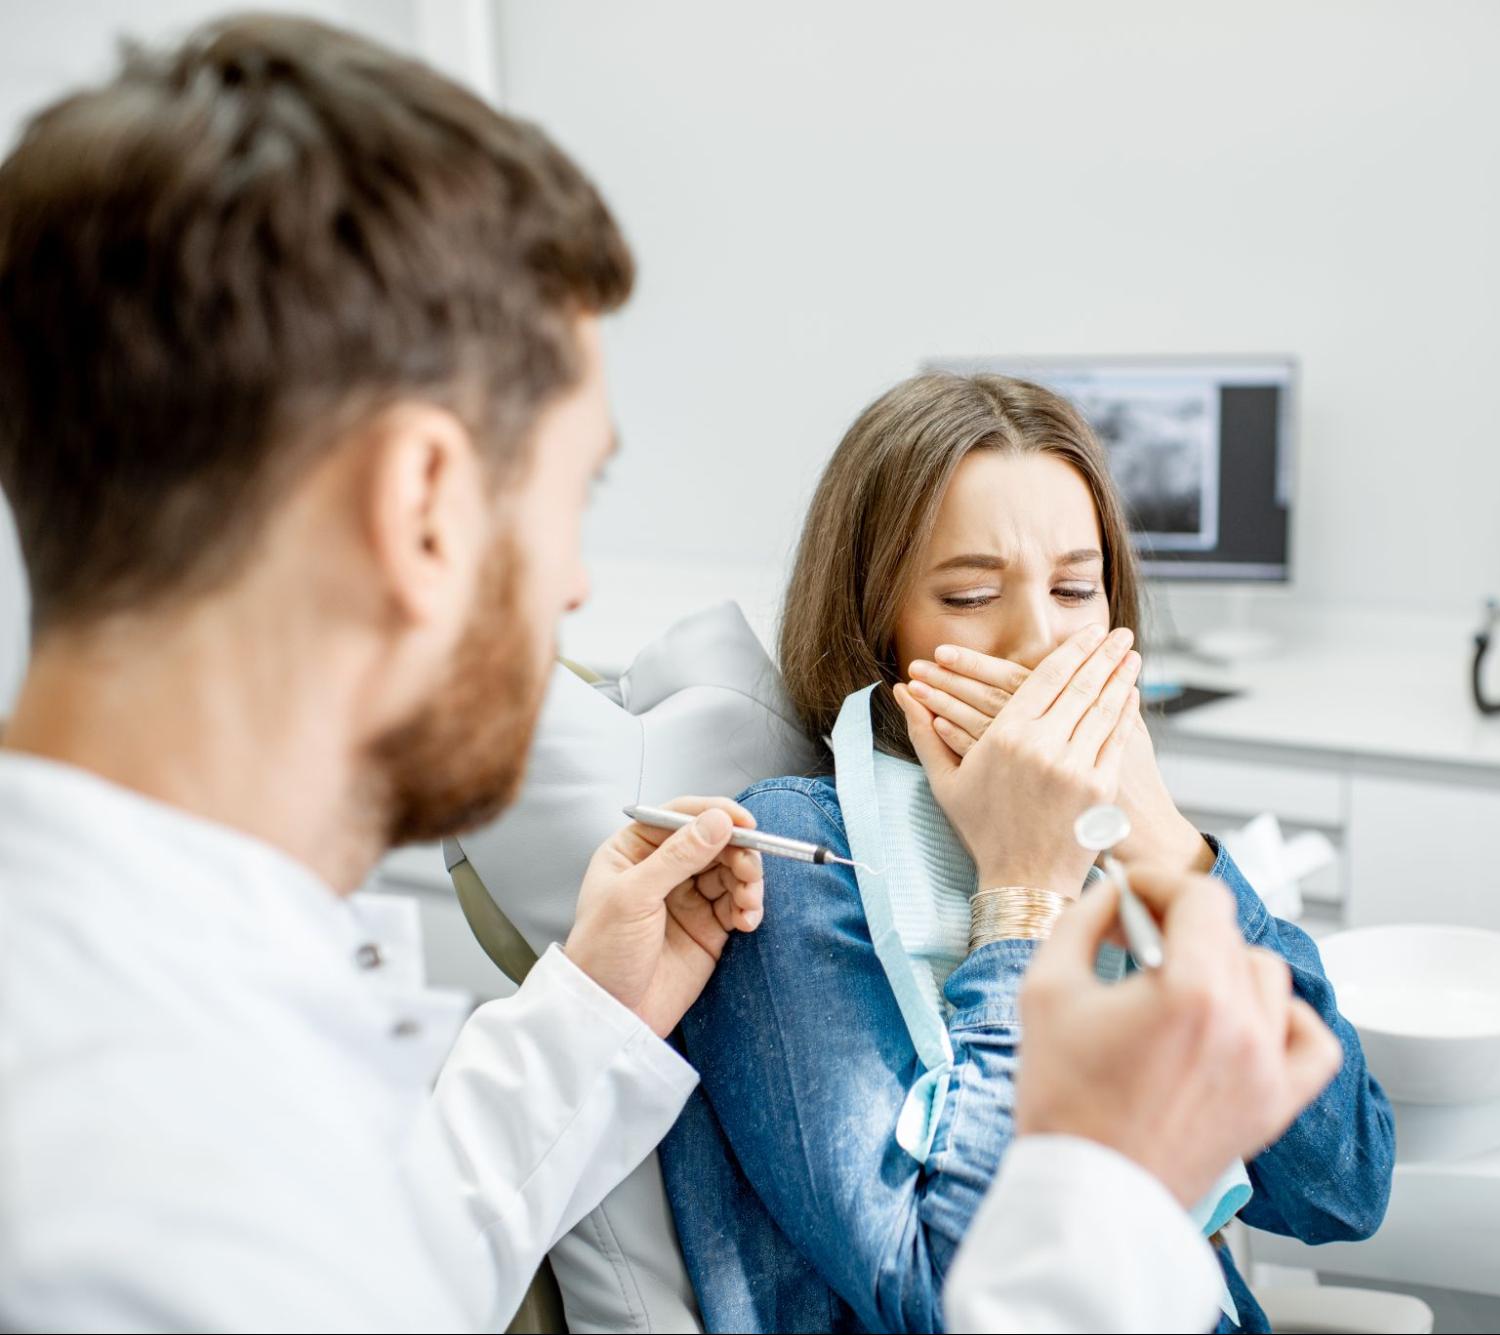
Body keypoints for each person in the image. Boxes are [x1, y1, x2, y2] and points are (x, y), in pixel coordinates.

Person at [0, 17, 1345, 1334]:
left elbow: (404, 1243)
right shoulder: (130, 1179)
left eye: (1071, 583)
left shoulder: (153, 1014)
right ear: (420, 505)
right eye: (571, 496)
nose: (575, 585)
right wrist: (1093, 1143)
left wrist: (590, 1013)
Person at [663, 374, 1396, 1332]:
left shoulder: (1118, 844)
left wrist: (1168, 848)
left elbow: (1343, 1188)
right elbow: (949, 1298)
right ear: (875, 626)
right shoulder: (799, 861)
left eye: (1074, 589)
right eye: (969, 594)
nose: (1041, 642)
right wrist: (1020, 892)